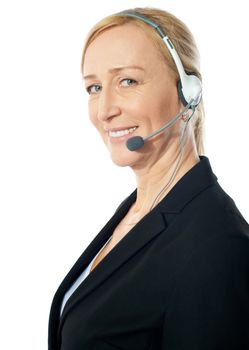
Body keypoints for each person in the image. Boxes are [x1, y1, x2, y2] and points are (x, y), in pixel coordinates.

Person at [48, 7, 249, 350]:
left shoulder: (218, 246)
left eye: (128, 81)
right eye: (94, 87)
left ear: (188, 91)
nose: (104, 109)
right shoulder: (139, 212)